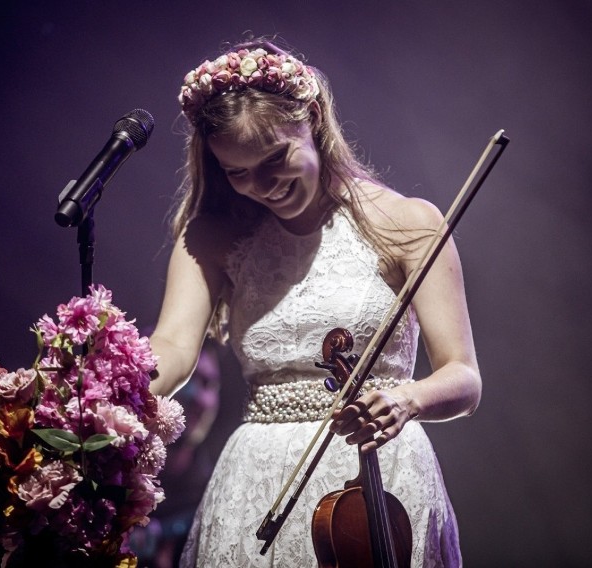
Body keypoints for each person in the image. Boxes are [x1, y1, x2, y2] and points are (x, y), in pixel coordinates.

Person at [148, 36, 482, 567]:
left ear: (315, 119)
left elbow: (463, 377)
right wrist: (107, 393)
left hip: (378, 475)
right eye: (237, 172)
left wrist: (408, 399)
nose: (261, 185)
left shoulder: (409, 223)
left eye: (275, 158)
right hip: (256, 482)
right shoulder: (213, 237)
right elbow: (172, 346)